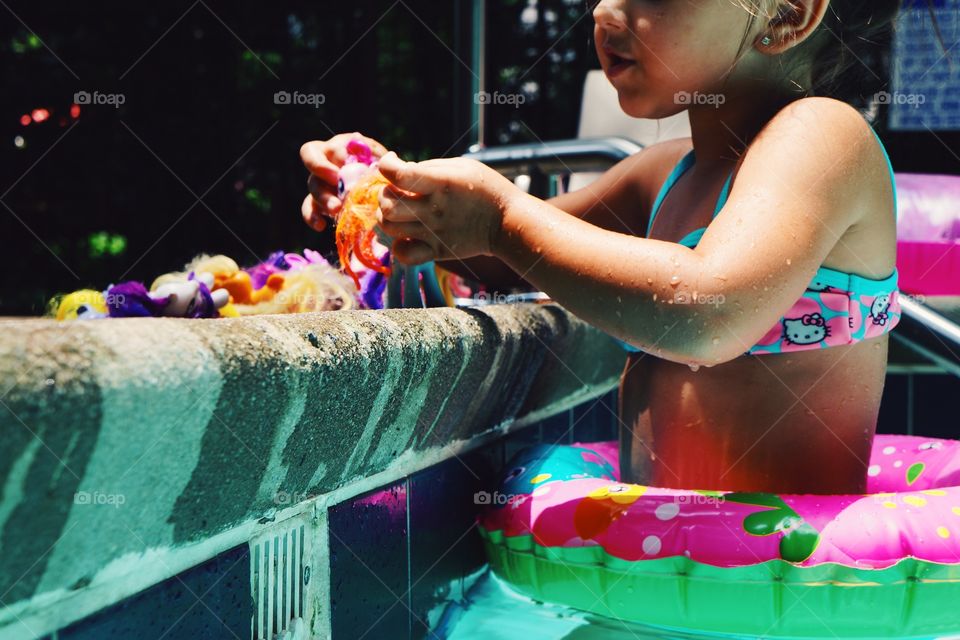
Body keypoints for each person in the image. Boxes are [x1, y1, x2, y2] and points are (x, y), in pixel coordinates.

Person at [300, 0, 905, 494]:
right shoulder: (662, 176)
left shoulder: (825, 136)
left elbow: (707, 314)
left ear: (785, 16)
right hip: (661, 577)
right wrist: (380, 191)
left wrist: (503, 219)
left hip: (779, 592)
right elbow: (493, 257)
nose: (605, 13)